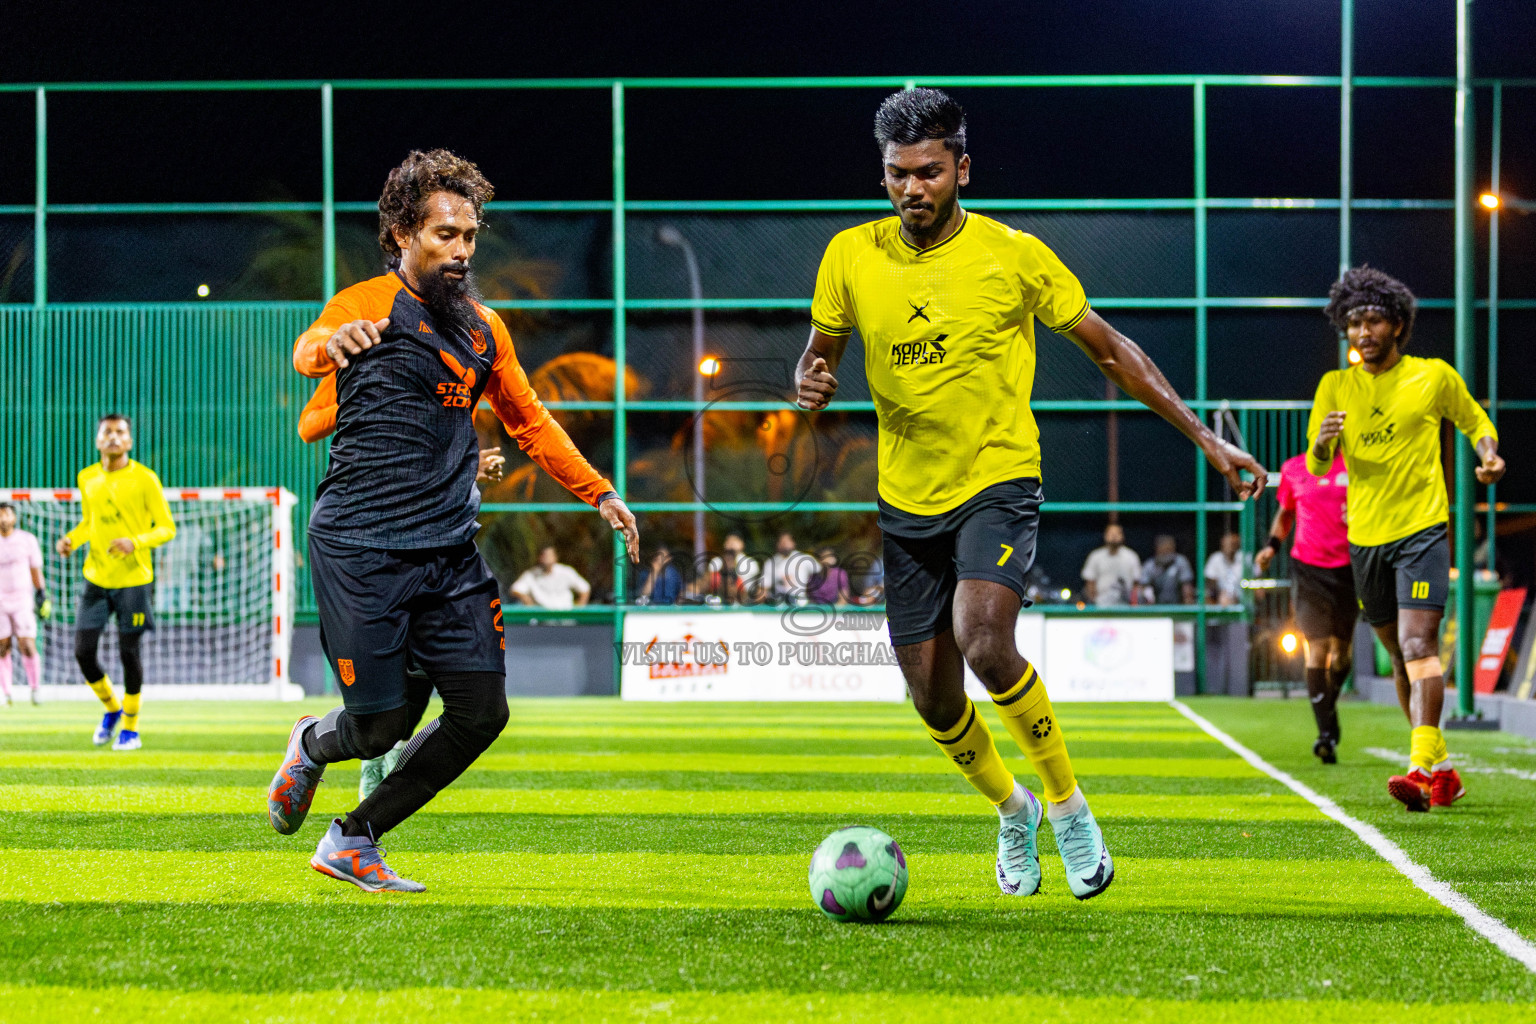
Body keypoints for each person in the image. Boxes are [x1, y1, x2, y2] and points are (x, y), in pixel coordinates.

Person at [796, 89, 1266, 900]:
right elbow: (823, 347)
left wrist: (1205, 438)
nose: (913, 190)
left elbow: (1113, 352)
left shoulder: (1015, 256)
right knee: (934, 697)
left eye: (930, 173)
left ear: (963, 168)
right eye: (897, 175)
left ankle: (1067, 803)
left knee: (984, 641)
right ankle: (1013, 809)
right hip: (906, 500)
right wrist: (812, 374)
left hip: (998, 479)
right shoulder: (848, 255)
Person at [267, 149, 638, 892]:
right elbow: (312, 348)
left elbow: (529, 423)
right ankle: (310, 745)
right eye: (444, 233)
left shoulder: (483, 330)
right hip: (360, 548)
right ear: (402, 234)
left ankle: (355, 837)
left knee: (481, 711)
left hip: (447, 553)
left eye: (470, 234)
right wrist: (325, 349)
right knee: (381, 727)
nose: (462, 249)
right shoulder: (364, 306)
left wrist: (599, 492)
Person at [1308, 266, 1504, 812]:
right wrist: (1324, 442)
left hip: (1421, 530)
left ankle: (1418, 769)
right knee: (1398, 656)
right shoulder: (1335, 387)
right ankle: (1443, 770)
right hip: (1365, 538)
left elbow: (1474, 421)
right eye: (1353, 323)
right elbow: (1318, 464)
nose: (1362, 332)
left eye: (1372, 320)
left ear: (1397, 324)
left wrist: (1488, 456)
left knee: (1420, 646)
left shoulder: (1432, 376)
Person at [295, 367, 508, 802]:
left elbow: (430, 474)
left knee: (440, 691)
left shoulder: (460, 375)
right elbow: (310, 423)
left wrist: (468, 471)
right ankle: (353, 751)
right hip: (376, 555)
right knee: (392, 702)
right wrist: (379, 394)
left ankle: (374, 780)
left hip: (441, 554)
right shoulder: (373, 353)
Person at [56, 414, 176, 751]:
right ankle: (112, 709)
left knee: (129, 653)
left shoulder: (145, 479)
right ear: (97, 440)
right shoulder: (87, 477)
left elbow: (167, 527)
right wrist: (72, 539)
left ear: (129, 441)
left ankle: (131, 729)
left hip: (134, 580)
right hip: (96, 578)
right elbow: (89, 523)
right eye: (107, 432)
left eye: (120, 432)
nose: (113, 437)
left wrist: (134, 542)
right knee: (82, 652)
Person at [1255, 449, 1354, 764]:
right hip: (1309, 569)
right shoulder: (1293, 468)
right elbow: (1285, 512)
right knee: (1318, 648)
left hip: (1349, 568)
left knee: (1342, 656)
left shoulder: (1356, 464)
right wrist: (1271, 547)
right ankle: (1325, 734)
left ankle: (1329, 710)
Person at [0, 502, 49, 707]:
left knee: (27, 644)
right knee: (2, 646)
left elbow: (35, 569)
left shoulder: (27, 540)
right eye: (0, 514)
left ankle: (35, 688)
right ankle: (6, 692)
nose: (3, 518)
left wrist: (42, 594)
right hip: (0, 602)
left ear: (14, 518)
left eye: (7, 514)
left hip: (22, 600)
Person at [511, 545, 591, 610]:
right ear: (539, 557)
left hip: (565, 620)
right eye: (544, 555)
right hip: (542, 621)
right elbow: (516, 589)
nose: (546, 558)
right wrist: (527, 600)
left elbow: (584, 589)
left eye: (549, 555)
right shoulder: (531, 575)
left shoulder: (566, 572)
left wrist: (578, 610)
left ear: (555, 557)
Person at [1080, 523, 1140, 606]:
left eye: (1117, 533)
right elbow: (1090, 582)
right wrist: (1093, 602)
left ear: (1122, 536)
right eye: (1111, 534)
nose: (1114, 536)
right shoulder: (1096, 556)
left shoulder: (1131, 556)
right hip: (1101, 605)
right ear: (1105, 536)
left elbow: (1136, 584)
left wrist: (1133, 604)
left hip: (1125, 605)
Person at [703, 533, 761, 605]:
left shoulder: (751, 564)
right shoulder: (716, 562)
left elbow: (746, 591)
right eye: (728, 541)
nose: (731, 544)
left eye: (734, 541)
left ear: (742, 544)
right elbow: (707, 584)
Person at [1139, 535, 1195, 605]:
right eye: (1163, 550)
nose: (1166, 553)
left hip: (1178, 606)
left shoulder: (1180, 561)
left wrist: (1188, 601)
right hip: (1156, 607)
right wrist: (1147, 601)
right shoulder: (1150, 565)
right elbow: (1144, 587)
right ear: (1157, 549)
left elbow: (1186, 586)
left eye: (1169, 550)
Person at [764, 531, 818, 603]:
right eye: (782, 542)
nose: (784, 545)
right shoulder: (770, 563)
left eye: (787, 541)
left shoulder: (805, 559)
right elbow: (765, 586)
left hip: (801, 602)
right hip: (779, 603)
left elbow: (821, 575)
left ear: (793, 543)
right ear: (777, 544)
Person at [1204, 531, 1245, 606]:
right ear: (1222, 544)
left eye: (1234, 544)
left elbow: (1255, 580)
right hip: (1220, 599)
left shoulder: (1244, 559)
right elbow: (1211, 584)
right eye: (1229, 544)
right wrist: (1221, 595)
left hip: (1242, 600)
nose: (1231, 547)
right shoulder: (1215, 558)